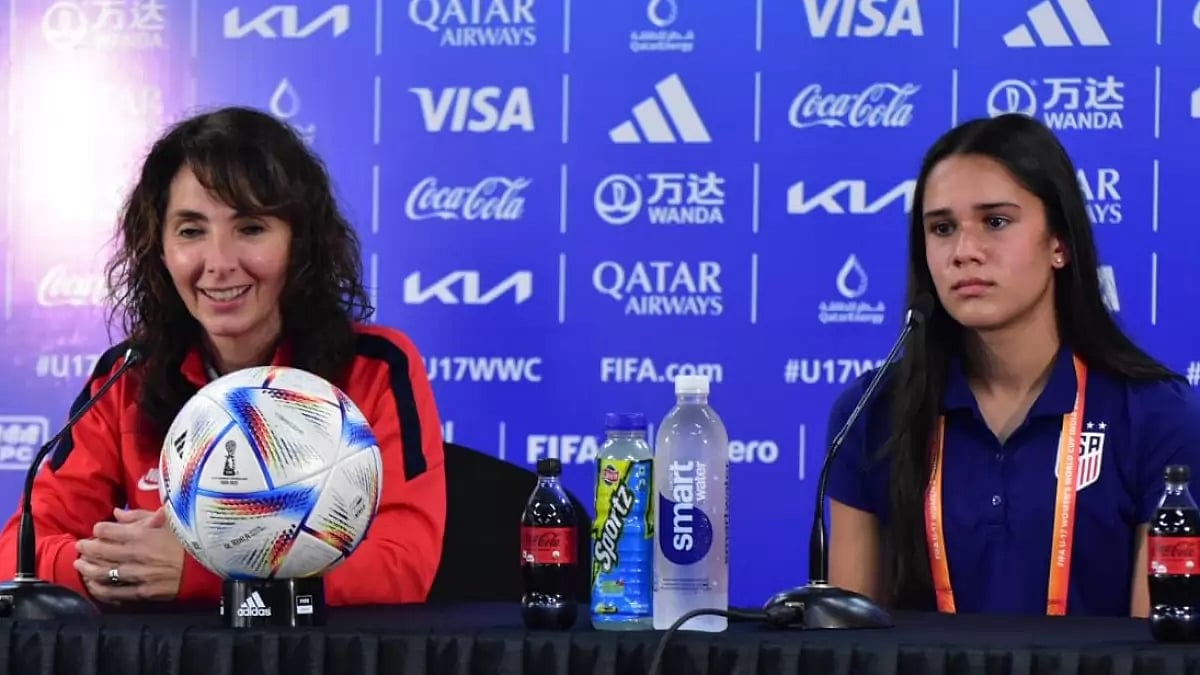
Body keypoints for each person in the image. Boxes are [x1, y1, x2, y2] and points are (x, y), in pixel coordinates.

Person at [0, 106, 446, 607]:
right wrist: (117, 568)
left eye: (251, 228)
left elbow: (402, 565)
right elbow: (21, 550)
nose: (219, 263)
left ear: (299, 242)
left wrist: (202, 575)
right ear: (160, 250)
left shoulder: (377, 365)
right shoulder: (126, 374)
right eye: (191, 231)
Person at [825, 113, 1200, 617]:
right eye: (942, 228)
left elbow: (1157, 652)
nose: (964, 251)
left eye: (996, 222)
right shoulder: (871, 412)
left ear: (1059, 244)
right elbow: (847, 645)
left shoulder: (1158, 416)